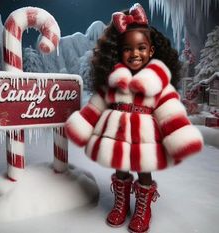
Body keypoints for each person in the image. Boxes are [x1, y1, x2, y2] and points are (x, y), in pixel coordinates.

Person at [65, 3, 203, 233]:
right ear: (120, 52)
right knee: (121, 167)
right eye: (128, 49)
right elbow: (97, 104)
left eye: (141, 47)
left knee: (143, 169)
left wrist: (180, 136)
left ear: (151, 51)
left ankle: (142, 207)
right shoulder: (115, 81)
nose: (135, 53)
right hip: (117, 135)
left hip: (144, 137)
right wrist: (84, 123)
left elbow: (169, 110)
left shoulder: (157, 83)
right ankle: (121, 204)